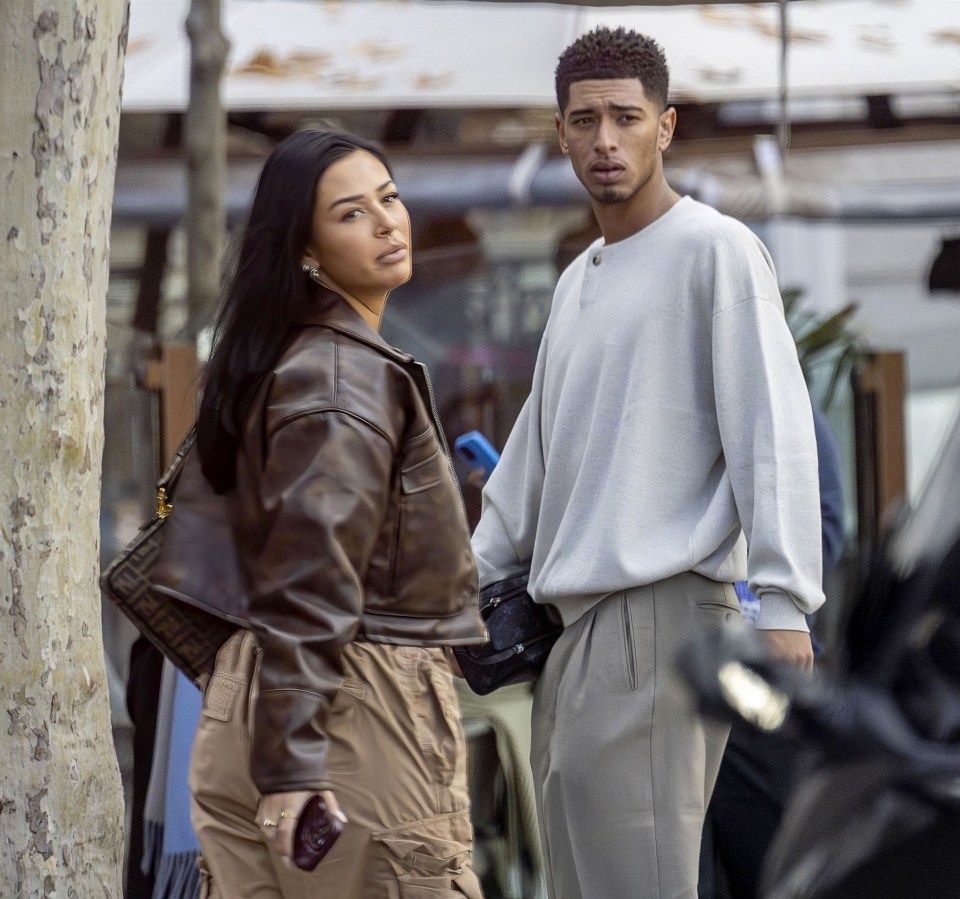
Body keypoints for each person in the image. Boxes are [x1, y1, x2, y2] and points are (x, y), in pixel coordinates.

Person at [470, 26, 824, 899]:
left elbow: (772, 430)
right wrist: (462, 588)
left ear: (665, 127)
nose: (605, 141)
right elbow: (532, 465)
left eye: (626, 118)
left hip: (663, 618)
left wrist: (784, 601)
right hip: (574, 635)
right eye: (585, 120)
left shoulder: (717, 251)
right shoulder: (579, 276)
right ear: (559, 131)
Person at [189, 129, 487, 898]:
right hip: (350, 702)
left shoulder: (282, 360)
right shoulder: (340, 377)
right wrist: (293, 759)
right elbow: (312, 565)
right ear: (306, 252)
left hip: (257, 686)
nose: (389, 221)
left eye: (389, 197)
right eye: (352, 213)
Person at [700, 403, 846, 899]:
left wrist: (775, 607)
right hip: (692, 668)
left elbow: (824, 518)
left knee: (770, 864)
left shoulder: (793, 411)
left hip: (765, 670)